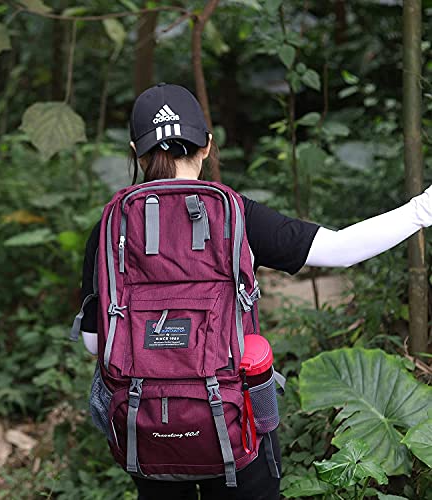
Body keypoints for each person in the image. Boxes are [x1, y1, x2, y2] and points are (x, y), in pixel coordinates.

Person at [78, 83, 432, 500]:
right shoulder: (236, 213)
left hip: (144, 421)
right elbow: (340, 250)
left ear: (137, 155)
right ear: (207, 146)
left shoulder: (111, 226)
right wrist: (421, 209)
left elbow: (94, 342)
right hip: (233, 420)